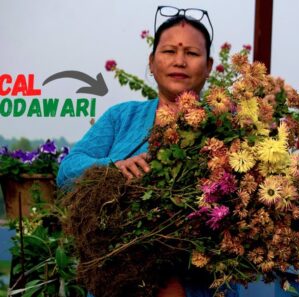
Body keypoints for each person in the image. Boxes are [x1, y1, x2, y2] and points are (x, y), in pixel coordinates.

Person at [58, 6, 243, 297]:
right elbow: (67, 171)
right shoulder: (122, 118)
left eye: (192, 54)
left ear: (208, 66)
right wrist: (113, 166)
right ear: (152, 62)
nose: (179, 61)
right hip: (117, 281)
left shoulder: (228, 128)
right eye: (169, 51)